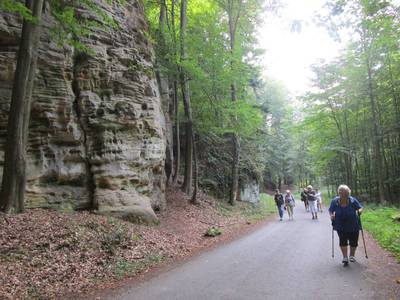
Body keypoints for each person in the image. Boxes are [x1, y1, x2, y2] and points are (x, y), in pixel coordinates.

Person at [329, 184, 363, 265]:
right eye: (341, 193)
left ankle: (351, 256)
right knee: (343, 241)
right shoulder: (335, 201)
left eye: (345, 193)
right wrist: (332, 215)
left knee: (354, 242)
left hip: (354, 225)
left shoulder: (353, 200)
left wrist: (360, 211)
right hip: (340, 225)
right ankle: (345, 257)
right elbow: (331, 210)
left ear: (348, 193)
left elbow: (360, 207)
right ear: (339, 193)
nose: (343, 195)